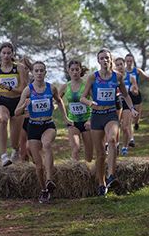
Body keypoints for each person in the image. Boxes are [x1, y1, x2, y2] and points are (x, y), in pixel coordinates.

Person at [80, 49, 139, 197]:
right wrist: (89, 102)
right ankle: (102, 184)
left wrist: (132, 108)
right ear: (98, 61)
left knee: (112, 140)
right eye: (102, 58)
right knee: (100, 156)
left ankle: (112, 175)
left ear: (111, 60)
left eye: (107, 58)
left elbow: (125, 95)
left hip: (111, 114)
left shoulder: (118, 77)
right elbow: (82, 97)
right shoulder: (93, 77)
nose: (105, 60)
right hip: (96, 116)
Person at [15, 61, 72, 204]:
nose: (39, 73)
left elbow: (59, 101)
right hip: (33, 126)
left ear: (45, 72)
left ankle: (49, 180)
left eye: (42, 71)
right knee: (39, 166)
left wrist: (65, 117)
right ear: (32, 73)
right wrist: (24, 105)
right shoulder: (28, 90)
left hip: (48, 125)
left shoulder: (51, 88)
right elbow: (16, 112)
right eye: (37, 71)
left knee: (46, 144)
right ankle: (44, 191)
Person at [58, 60, 93, 161]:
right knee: (75, 150)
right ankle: (77, 172)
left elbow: (95, 102)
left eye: (77, 69)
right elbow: (57, 101)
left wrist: (90, 120)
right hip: (72, 122)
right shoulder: (65, 87)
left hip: (87, 122)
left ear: (80, 70)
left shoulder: (87, 85)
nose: (74, 72)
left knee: (89, 156)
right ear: (68, 71)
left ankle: (87, 174)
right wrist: (53, 107)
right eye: (72, 70)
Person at [124, 54, 149, 143]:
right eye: (127, 61)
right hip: (127, 95)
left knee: (137, 115)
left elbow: (148, 77)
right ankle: (131, 138)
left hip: (136, 94)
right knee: (129, 117)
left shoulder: (137, 70)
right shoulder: (122, 72)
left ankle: (137, 122)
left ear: (133, 61)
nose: (128, 63)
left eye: (130, 61)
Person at [116, 57, 139, 156]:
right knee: (116, 127)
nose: (120, 67)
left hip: (127, 103)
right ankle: (116, 145)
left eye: (121, 64)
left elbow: (136, 92)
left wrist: (132, 91)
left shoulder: (131, 78)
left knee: (125, 127)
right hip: (116, 102)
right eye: (117, 65)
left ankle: (124, 147)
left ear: (124, 64)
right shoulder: (113, 77)